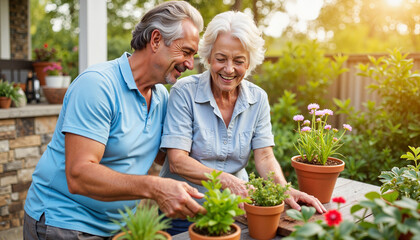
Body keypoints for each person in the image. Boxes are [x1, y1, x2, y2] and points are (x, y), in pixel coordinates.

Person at [23, 1, 205, 239]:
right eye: (186, 52)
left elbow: (171, 156)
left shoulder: (160, 97)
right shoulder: (98, 85)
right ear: (156, 40)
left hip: (118, 227)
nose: (190, 64)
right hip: (66, 223)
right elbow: (79, 174)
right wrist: (154, 187)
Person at [159, 11, 327, 235]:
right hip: (186, 209)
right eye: (221, 59)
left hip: (235, 209)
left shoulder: (258, 99)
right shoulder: (184, 92)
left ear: (249, 64)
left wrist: (285, 190)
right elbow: (177, 161)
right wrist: (229, 182)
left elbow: (265, 156)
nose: (229, 69)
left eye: (238, 61)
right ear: (208, 57)